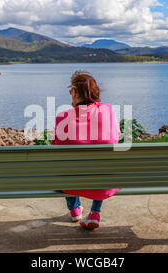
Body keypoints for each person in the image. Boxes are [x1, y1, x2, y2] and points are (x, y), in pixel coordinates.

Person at [51, 71, 121, 230]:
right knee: (103, 162)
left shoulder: (63, 117)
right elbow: (116, 137)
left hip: (69, 184)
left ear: (75, 93)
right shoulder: (108, 111)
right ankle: (95, 213)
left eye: (71, 92)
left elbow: (56, 147)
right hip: (104, 183)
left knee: (66, 166)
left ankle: (75, 210)